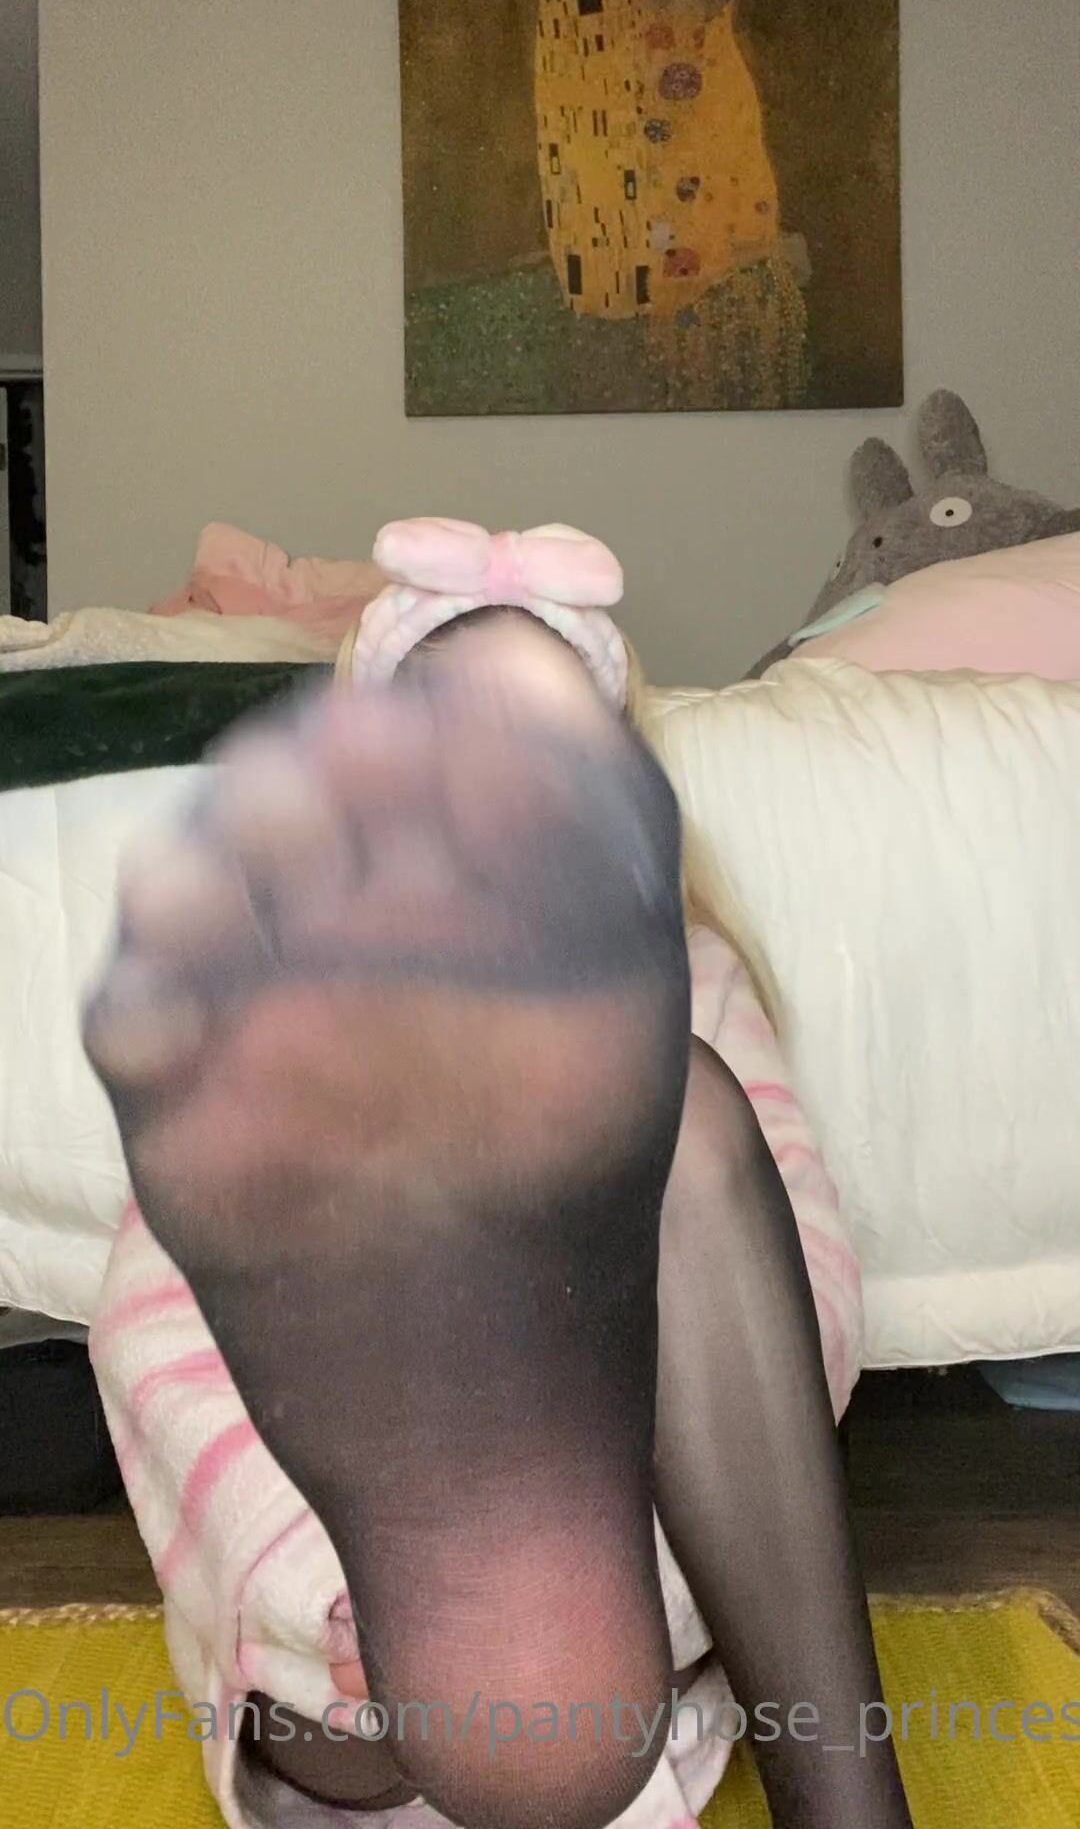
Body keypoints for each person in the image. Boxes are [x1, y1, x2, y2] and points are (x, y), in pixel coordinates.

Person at [85, 521, 912, 1829]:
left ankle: (588, 1634)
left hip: (617, 1639)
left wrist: (622, 1592)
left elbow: (799, 1297)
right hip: (348, 1697)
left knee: (685, 1111)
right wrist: (327, 1597)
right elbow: (153, 1328)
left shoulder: (688, 979)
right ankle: (441, 1575)